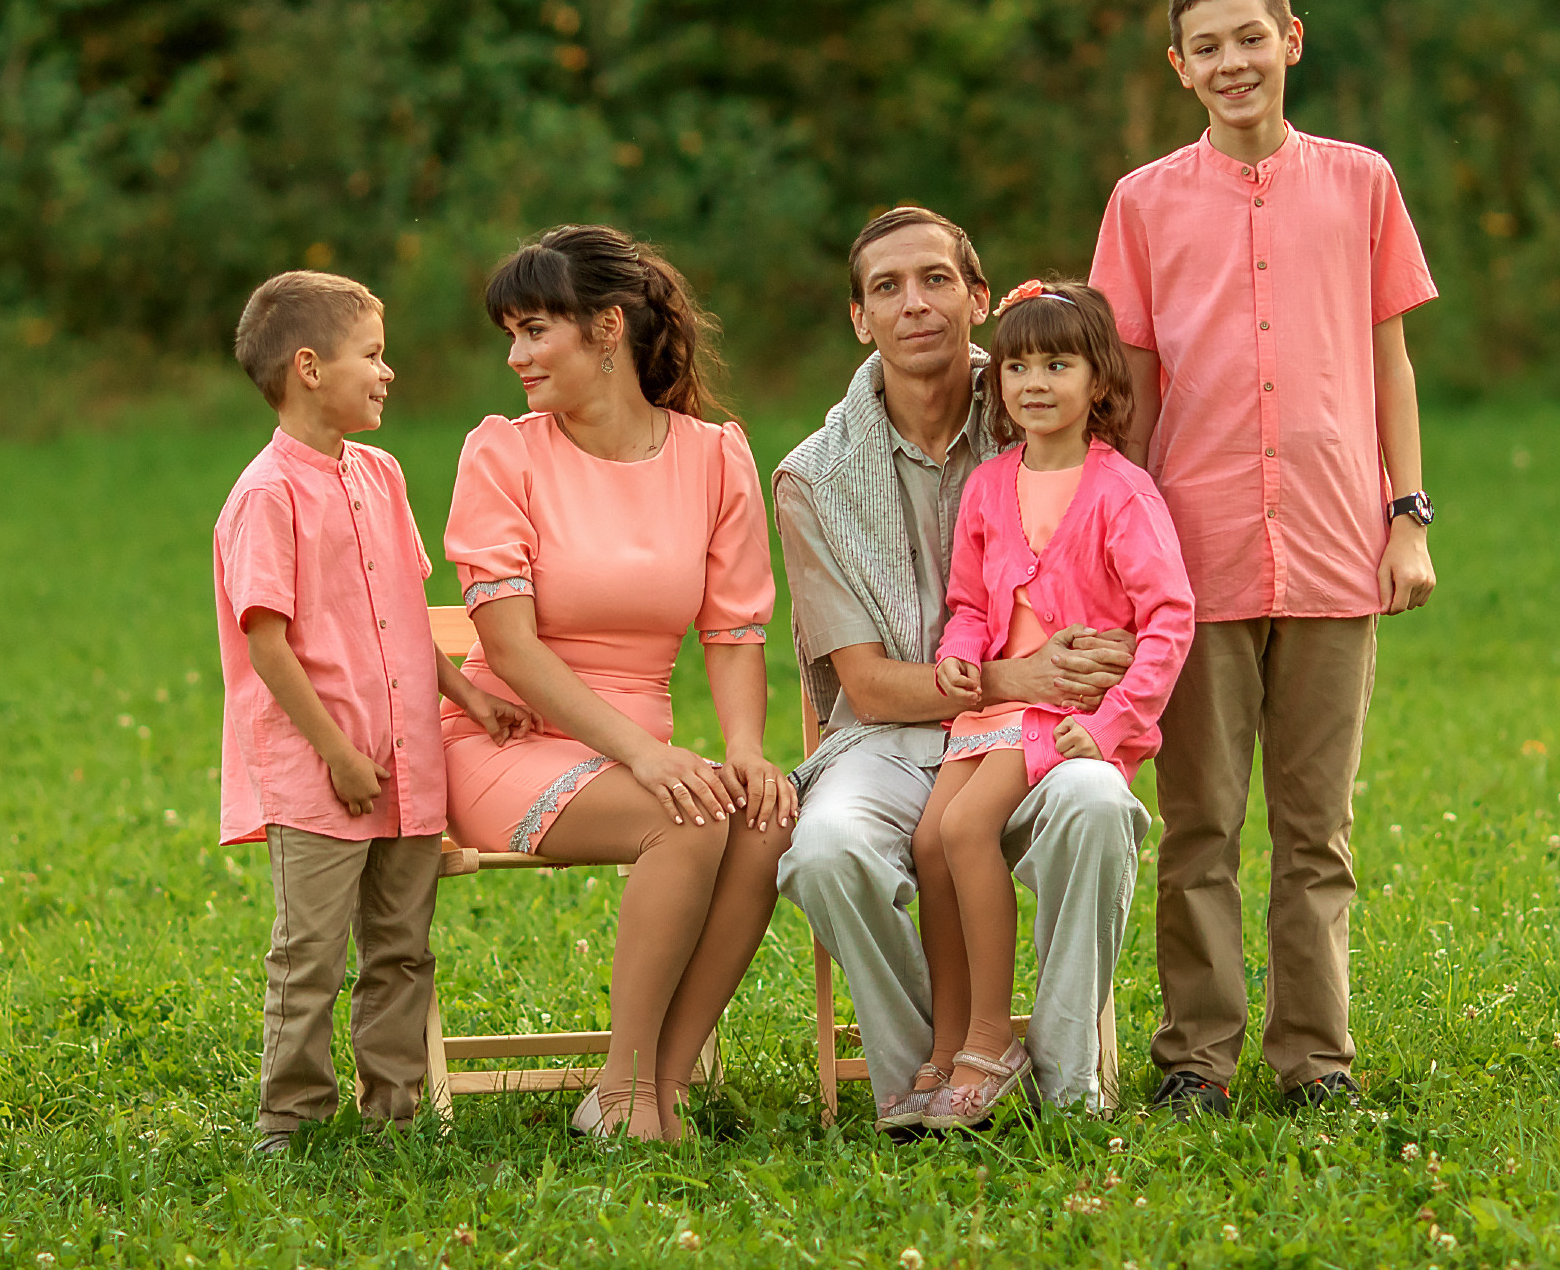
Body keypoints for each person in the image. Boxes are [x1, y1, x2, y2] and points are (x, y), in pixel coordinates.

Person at [1089, 0, 1440, 1118]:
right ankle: (1194, 1059)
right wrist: (1111, 556)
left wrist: (1407, 518)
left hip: (1341, 549)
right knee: (1197, 826)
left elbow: (1388, 359)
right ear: (1179, 69)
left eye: (1251, 38)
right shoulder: (1141, 203)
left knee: (1315, 833)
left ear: (1290, 42)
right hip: (1191, 559)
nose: (1232, 61)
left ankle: (1314, 1063)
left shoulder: (1361, 182)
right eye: (1208, 47)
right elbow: (1124, 386)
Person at [774, 207, 1149, 1123]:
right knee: (823, 851)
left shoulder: (1043, 407)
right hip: (888, 738)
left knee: (1099, 806)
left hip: (1033, 737)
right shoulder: (813, 477)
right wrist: (1020, 674)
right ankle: (924, 1074)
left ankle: (1063, 1085)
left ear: (978, 297)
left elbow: (1125, 595)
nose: (916, 305)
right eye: (887, 288)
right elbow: (865, 684)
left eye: (937, 279)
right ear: (859, 318)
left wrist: (1104, 660)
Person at [439, 224, 792, 1143]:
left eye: (534, 332)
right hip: (506, 740)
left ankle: (646, 1085)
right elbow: (510, 650)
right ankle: (631, 1091)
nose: (516, 356)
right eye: (510, 335)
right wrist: (647, 752)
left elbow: (735, 629)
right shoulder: (502, 454)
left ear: (606, 329)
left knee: (758, 816)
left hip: (641, 749)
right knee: (688, 813)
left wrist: (745, 751)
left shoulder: (715, 457)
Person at [212, 270, 529, 1158]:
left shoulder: (382, 475)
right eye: (373, 356)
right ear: (309, 367)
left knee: (402, 950)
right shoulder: (267, 495)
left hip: (405, 764)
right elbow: (267, 646)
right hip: (322, 774)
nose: (388, 373)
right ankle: (292, 1119)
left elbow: (398, 614)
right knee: (308, 955)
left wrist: (468, 696)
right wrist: (339, 757)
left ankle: (394, 1112)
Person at [887, 280, 1195, 1132]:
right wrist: (957, 658)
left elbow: (1170, 618)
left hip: (1066, 719)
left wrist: (1109, 724)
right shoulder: (990, 484)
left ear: (1098, 380)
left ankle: (994, 1040)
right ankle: (950, 1046)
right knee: (927, 840)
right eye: (1017, 364)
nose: (1033, 382)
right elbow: (972, 604)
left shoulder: (1121, 492)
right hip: (994, 708)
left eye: (1057, 363)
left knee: (960, 829)